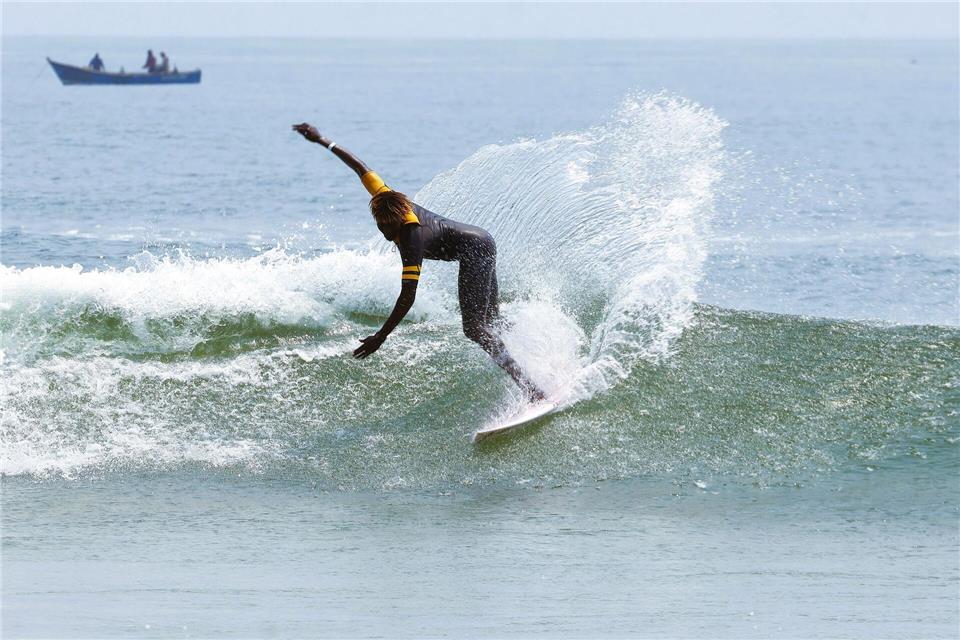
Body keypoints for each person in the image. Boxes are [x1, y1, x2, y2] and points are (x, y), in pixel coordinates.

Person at [292, 122, 546, 402]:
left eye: (389, 231)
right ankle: (533, 354)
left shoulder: (413, 238)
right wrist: (321, 140)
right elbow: (358, 166)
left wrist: (382, 335)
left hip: (476, 250)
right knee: (492, 322)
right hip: (482, 241)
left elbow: (407, 297)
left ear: (399, 224)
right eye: (381, 229)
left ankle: (532, 389)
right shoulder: (384, 197)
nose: (386, 236)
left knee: (474, 328)